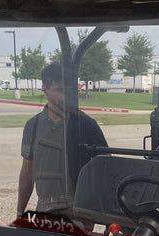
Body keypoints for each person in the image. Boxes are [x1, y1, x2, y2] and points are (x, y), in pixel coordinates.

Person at [16, 63, 107, 216]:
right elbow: (27, 171)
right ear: (45, 89)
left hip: (79, 210)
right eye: (60, 90)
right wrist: (20, 212)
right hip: (45, 208)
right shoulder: (33, 125)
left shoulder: (86, 124)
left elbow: (105, 167)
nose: (66, 96)